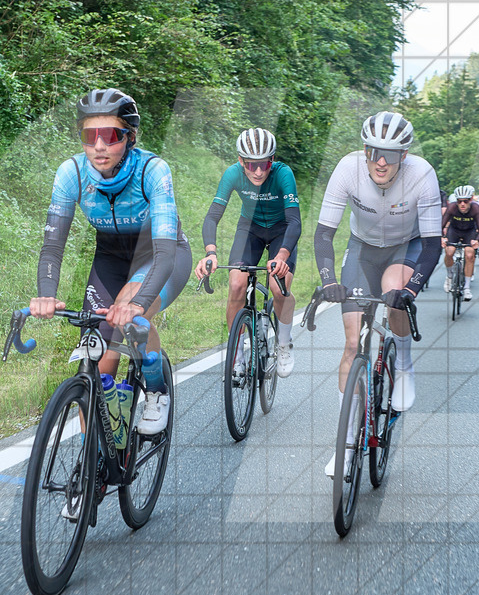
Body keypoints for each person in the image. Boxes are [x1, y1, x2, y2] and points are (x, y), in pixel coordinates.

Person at [31, 88, 192, 440]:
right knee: (98, 356)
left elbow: (165, 255)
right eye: (90, 136)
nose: (99, 146)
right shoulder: (71, 173)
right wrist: (46, 294)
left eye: (111, 135)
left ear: (130, 137)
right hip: (110, 257)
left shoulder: (153, 170)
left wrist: (136, 303)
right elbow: (52, 246)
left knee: (130, 317)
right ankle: (96, 463)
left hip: (160, 254)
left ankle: (156, 388)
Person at [313, 111, 442, 476]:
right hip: (363, 248)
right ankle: (347, 441)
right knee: (352, 345)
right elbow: (324, 235)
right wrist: (327, 282)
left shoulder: (423, 175)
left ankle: (402, 363)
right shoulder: (348, 168)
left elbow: (433, 245)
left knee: (393, 291)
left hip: (407, 247)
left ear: (405, 156)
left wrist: (411, 290)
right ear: (364, 150)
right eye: (374, 152)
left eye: (391, 154)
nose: (381, 162)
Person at [194, 128, 300, 378]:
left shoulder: (283, 173)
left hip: (281, 229)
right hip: (250, 228)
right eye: (252, 165)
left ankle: (284, 343)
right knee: (237, 285)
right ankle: (237, 354)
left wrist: (282, 256)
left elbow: (295, 221)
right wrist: (210, 253)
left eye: (264, 163)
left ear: (272, 160)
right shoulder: (232, 174)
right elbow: (212, 217)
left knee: (278, 286)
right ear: (241, 161)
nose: (259, 171)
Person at [441, 184, 479, 300]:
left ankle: (467, 288)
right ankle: (449, 276)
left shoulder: (475, 208)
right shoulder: (452, 208)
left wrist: (477, 240)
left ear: (470, 200)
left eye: (465, 201)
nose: (462, 204)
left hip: (469, 232)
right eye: (459, 201)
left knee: (470, 255)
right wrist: (442, 237)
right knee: (449, 252)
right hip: (454, 231)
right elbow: (442, 225)